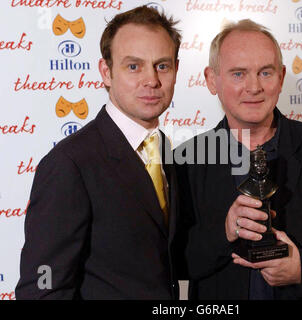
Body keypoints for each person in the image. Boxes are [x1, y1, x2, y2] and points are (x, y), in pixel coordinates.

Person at [175, 19, 302, 299]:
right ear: (212, 80)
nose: (254, 86)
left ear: (281, 77)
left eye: (265, 72)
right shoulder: (186, 161)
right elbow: (174, 261)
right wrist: (223, 232)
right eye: (238, 74)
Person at [15, 6, 182, 299]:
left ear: (176, 70)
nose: (152, 80)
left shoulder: (165, 150)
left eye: (162, 66)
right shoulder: (70, 164)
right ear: (106, 72)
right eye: (133, 66)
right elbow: (41, 289)